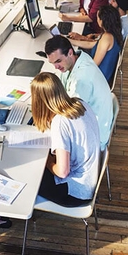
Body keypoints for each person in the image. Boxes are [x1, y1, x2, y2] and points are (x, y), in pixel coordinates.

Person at [31, 72, 100, 207]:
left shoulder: (60, 122)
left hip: (74, 192)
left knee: (30, 171)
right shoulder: (79, 103)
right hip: (89, 180)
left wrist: (49, 163)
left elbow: (63, 172)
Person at [45, 36, 113, 150]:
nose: (56, 67)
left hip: (95, 136)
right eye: (52, 63)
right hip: (90, 120)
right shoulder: (78, 59)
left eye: (58, 61)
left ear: (70, 53)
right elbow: (62, 88)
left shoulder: (82, 80)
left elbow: (71, 116)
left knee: (48, 142)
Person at [67, 5, 123, 84]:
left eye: (97, 17)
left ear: (102, 21)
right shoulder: (113, 33)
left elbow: (94, 64)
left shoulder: (106, 38)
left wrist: (76, 67)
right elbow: (90, 44)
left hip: (99, 79)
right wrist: (69, 40)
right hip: (103, 75)